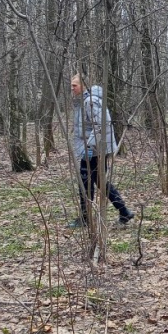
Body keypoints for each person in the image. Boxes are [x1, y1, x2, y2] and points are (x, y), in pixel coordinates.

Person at [70, 75, 134, 227]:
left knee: (85, 183)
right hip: (94, 148)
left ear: (84, 85)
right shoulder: (85, 100)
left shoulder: (90, 101)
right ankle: (124, 212)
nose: (72, 88)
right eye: (71, 85)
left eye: (74, 85)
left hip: (94, 149)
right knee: (99, 181)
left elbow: (101, 126)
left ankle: (86, 219)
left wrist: (89, 148)